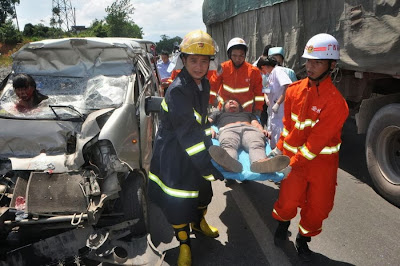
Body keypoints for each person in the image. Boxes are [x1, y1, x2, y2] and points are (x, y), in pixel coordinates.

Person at [270, 33, 349, 262]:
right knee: (287, 200)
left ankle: (303, 240)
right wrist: (279, 150)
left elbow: (314, 144)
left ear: (332, 65)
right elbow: (287, 128)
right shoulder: (293, 91)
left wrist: (289, 164)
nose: (310, 67)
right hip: (294, 161)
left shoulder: (336, 103)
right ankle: (283, 225)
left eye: (317, 62)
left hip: (321, 165)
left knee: (318, 208)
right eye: (308, 61)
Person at [148, 30, 224, 266]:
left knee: (203, 194)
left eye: (204, 61)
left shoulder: (205, 84)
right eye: (193, 60)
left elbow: (198, 123)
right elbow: (187, 133)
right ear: (183, 59)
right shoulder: (178, 89)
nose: (199, 66)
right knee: (179, 202)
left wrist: (210, 137)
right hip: (175, 153)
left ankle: (199, 224)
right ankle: (184, 245)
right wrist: (206, 164)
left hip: (196, 148)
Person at [208, 98, 290, 173]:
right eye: (228, 102)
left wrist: (262, 130)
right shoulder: (218, 114)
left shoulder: (248, 114)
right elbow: (207, 122)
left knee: (256, 144)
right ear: (224, 107)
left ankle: (260, 163)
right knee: (228, 145)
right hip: (228, 130)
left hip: (250, 129)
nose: (231, 101)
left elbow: (256, 124)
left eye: (234, 101)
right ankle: (230, 164)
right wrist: (209, 129)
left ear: (239, 107)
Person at [209, 37, 264, 115]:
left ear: (245, 55)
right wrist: (210, 101)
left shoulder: (253, 71)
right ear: (229, 55)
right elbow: (213, 85)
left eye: (241, 55)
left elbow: (259, 93)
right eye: (234, 55)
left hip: (245, 111)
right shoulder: (222, 68)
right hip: (225, 110)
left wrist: (258, 109)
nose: (238, 59)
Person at [257, 56, 292, 149]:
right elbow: (266, 90)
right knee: (272, 133)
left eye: (261, 71)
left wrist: (278, 103)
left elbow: (288, 86)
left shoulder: (278, 71)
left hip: (281, 111)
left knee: (280, 135)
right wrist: (266, 98)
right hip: (272, 112)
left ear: (264, 67)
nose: (262, 73)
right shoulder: (269, 76)